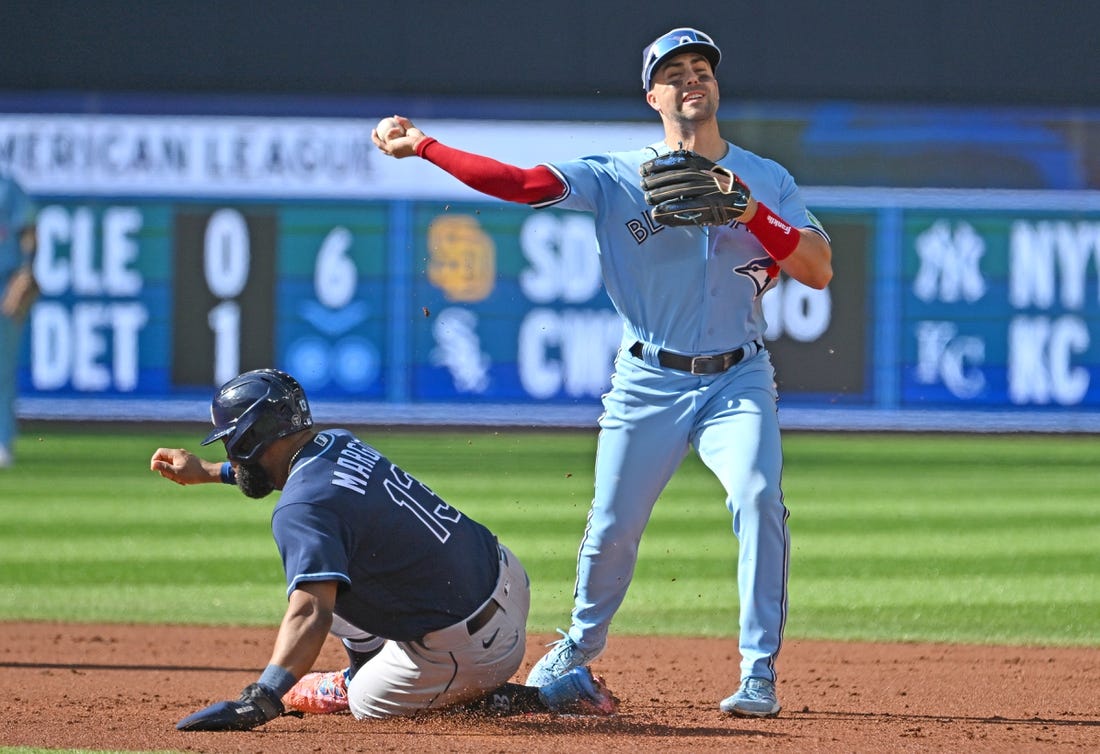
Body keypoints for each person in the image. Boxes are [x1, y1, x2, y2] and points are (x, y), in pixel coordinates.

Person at [371, 27, 832, 718]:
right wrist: (427, 147)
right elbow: (524, 186)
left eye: (700, 67)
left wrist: (749, 209)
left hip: (738, 378)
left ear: (716, 85)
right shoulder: (615, 175)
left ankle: (758, 674)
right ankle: (577, 646)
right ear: (653, 95)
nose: (690, 79)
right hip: (649, 379)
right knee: (614, 523)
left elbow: (818, 269)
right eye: (673, 72)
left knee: (760, 497)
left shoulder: (767, 178)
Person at [151, 368, 617, 731]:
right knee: (338, 575)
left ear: (253, 437)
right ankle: (373, 670)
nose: (230, 453)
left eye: (232, 442)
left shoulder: (300, 509)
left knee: (367, 703)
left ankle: (546, 698)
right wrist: (212, 472)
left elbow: (309, 613)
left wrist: (263, 698)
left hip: (475, 647)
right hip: (504, 578)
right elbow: (307, 489)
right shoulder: (336, 442)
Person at [0, 170, 38, 470]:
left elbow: (28, 231)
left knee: (2, 368)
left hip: (5, 283)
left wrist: (25, 273)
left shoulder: (7, 187)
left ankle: (1, 441)